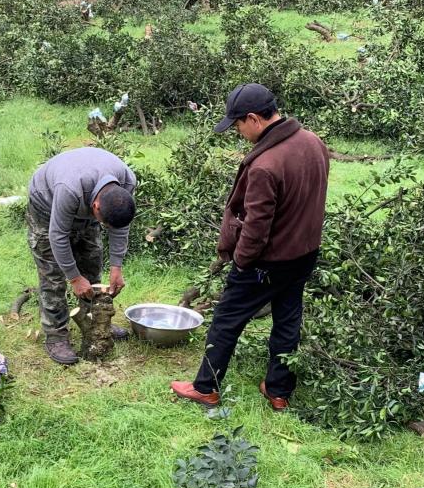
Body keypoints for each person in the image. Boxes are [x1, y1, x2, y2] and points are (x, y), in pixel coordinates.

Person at [170, 83, 328, 412]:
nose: (239, 132)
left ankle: (205, 388)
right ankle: (278, 391)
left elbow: (257, 226)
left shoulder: (265, 165)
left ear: (254, 119)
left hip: (268, 261)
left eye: (238, 125)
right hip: (305, 254)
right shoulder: (314, 143)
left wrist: (241, 262)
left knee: (226, 318)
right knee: (287, 320)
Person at [28, 148, 138, 365]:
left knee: (92, 260)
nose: (103, 227)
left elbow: (120, 226)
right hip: (46, 205)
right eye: (103, 222)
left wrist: (116, 266)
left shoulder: (126, 182)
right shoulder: (70, 189)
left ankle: (96, 320)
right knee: (53, 273)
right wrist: (74, 278)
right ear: (96, 206)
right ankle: (56, 334)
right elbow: (57, 236)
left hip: (84, 202)